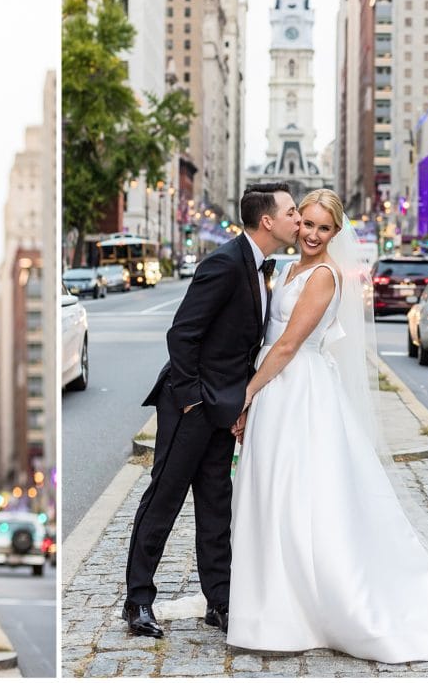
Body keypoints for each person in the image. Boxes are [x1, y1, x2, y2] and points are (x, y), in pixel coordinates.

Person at [226, 189, 428, 662]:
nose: (311, 234)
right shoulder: (285, 269)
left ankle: (305, 608)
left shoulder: (324, 276)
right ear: (296, 221)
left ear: (335, 233)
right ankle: (270, 603)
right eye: (306, 223)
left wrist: (244, 393)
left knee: (301, 494)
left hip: (297, 388)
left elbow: (286, 345)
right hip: (274, 390)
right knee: (269, 492)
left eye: (324, 229)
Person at [123, 183, 301, 638]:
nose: (298, 220)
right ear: (268, 221)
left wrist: (237, 402)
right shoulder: (223, 264)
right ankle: (138, 601)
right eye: (292, 212)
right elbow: (182, 335)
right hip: (192, 404)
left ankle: (219, 602)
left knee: (216, 505)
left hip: (224, 407)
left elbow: (243, 347)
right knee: (163, 500)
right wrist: (191, 399)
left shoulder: (262, 268)